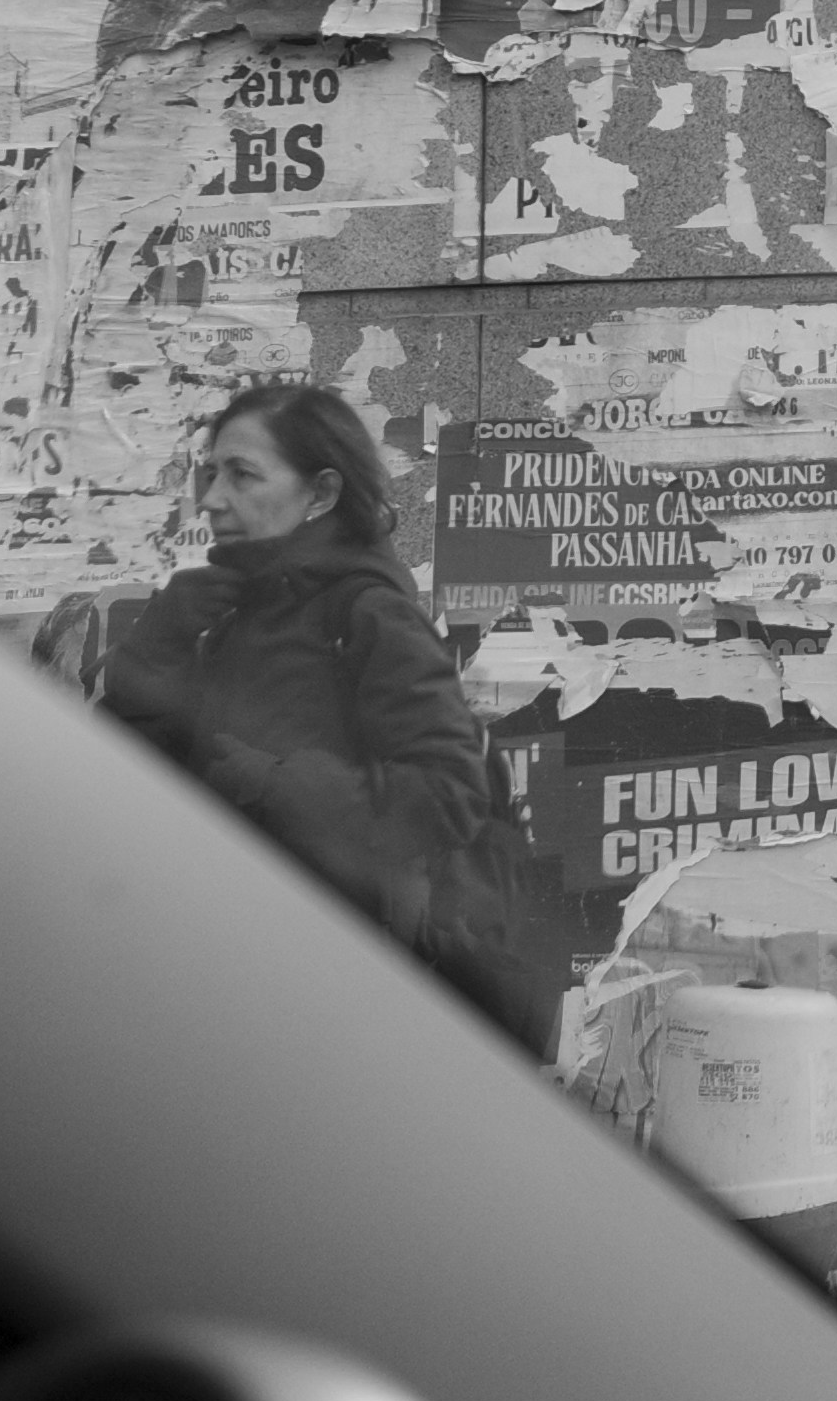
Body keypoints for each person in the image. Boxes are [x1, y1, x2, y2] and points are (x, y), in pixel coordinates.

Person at [94, 386, 556, 1046]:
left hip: (339, 979)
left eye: (243, 475)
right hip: (228, 958)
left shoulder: (369, 614)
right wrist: (154, 655)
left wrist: (278, 784)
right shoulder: (226, 606)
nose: (212, 499)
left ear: (321, 494)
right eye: (210, 473)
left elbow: (450, 794)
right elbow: (134, 776)